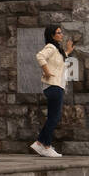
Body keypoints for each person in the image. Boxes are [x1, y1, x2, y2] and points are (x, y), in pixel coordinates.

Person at [31, 24, 73, 157]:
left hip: (57, 86)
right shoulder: (51, 47)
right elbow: (40, 56)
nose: (61, 34)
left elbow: (57, 62)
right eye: (58, 32)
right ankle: (46, 145)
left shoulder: (56, 50)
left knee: (53, 117)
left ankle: (39, 144)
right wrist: (47, 72)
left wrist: (67, 51)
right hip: (53, 86)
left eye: (61, 32)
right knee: (53, 118)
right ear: (52, 35)